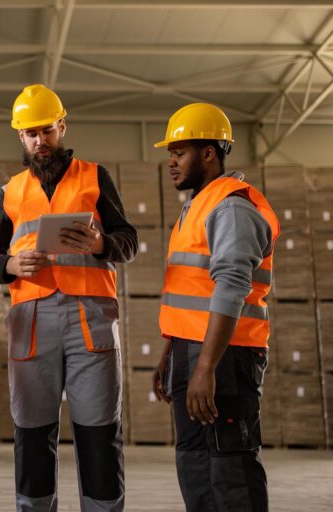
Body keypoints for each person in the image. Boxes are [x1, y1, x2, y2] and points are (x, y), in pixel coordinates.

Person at [0, 83, 137, 512]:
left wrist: (100, 243)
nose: (39, 141)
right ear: (20, 137)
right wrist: (10, 266)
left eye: (46, 131)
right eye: (30, 133)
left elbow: (129, 241)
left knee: (99, 431)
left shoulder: (93, 176)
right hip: (32, 325)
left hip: (91, 322)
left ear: (62, 127)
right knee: (31, 431)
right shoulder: (10, 190)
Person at [151, 103, 280, 512]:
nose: (171, 162)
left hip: (225, 356)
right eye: (170, 153)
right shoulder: (199, 206)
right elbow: (189, 293)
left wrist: (205, 367)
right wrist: (171, 356)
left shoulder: (231, 207)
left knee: (230, 464)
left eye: (181, 152)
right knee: (195, 462)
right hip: (193, 352)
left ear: (210, 153)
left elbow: (231, 288)